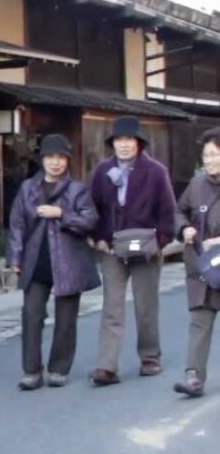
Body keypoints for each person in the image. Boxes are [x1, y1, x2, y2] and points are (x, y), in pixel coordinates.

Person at [89, 116, 177, 387]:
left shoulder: (156, 171)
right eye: (119, 140)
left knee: (145, 304)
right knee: (112, 307)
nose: (124, 145)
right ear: (112, 143)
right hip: (113, 247)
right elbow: (93, 209)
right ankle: (107, 366)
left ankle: (150, 356)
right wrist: (98, 238)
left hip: (147, 247)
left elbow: (167, 210)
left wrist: (160, 241)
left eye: (129, 140)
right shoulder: (103, 171)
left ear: (139, 143)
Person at [7, 134, 100, 390]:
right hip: (36, 260)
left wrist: (62, 213)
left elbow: (90, 221)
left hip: (69, 260)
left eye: (61, 158)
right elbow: (17, 225)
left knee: (66, 318)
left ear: (68, 160)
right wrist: (15, 257)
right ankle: (31, 370)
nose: (55, 163)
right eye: (50, 157)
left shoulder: (77, 190)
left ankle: (58, 368)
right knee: (31, 315)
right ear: (42, 160)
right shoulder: (28, 188)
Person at [172, 128, 220, 397]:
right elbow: (179, 210)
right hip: (203, 266)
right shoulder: (197, 184)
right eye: (206, 155)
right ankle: (194, 377)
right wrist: (184, 229)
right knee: (200, 322)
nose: (209, 160)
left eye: (214, 154)